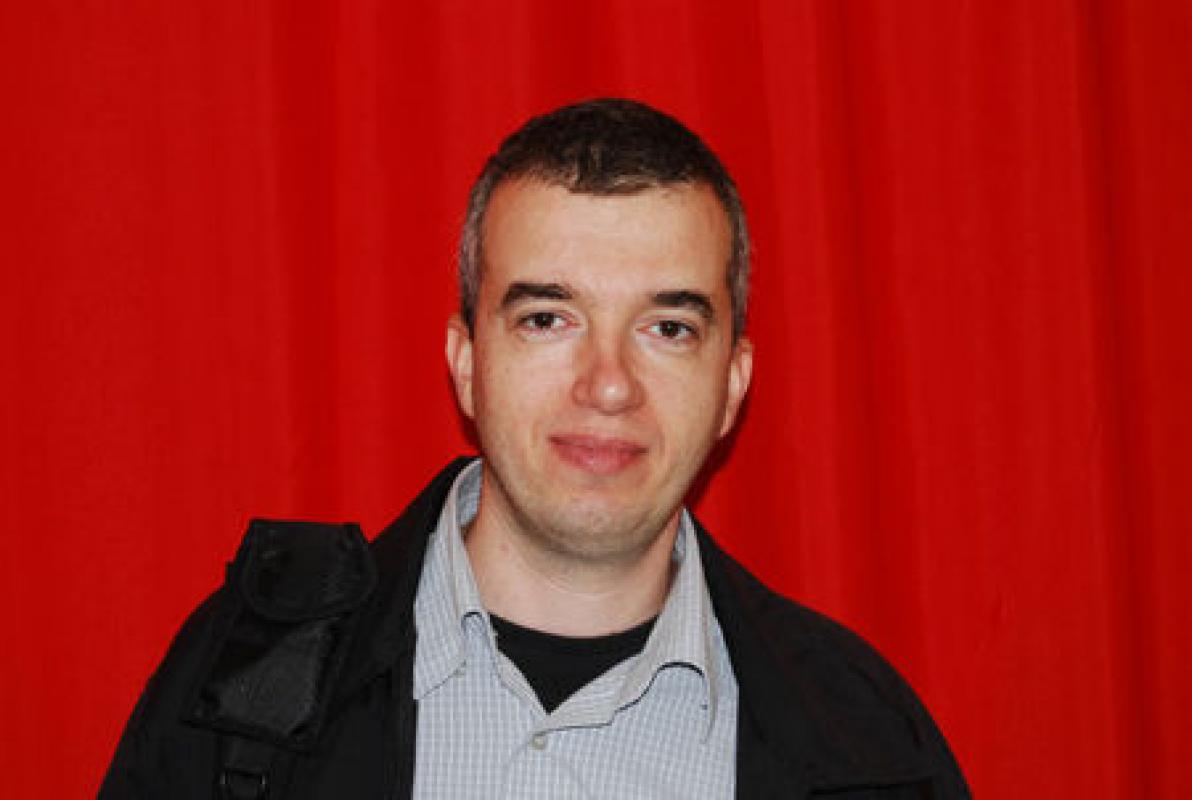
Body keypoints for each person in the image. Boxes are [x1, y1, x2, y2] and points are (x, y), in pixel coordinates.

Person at [101, 98, 969, 799]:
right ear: (467, 365)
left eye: (668, 328)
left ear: (732, 386)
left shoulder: (869, 745)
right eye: (548, 319)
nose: (608, 384)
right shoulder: (245, 687)